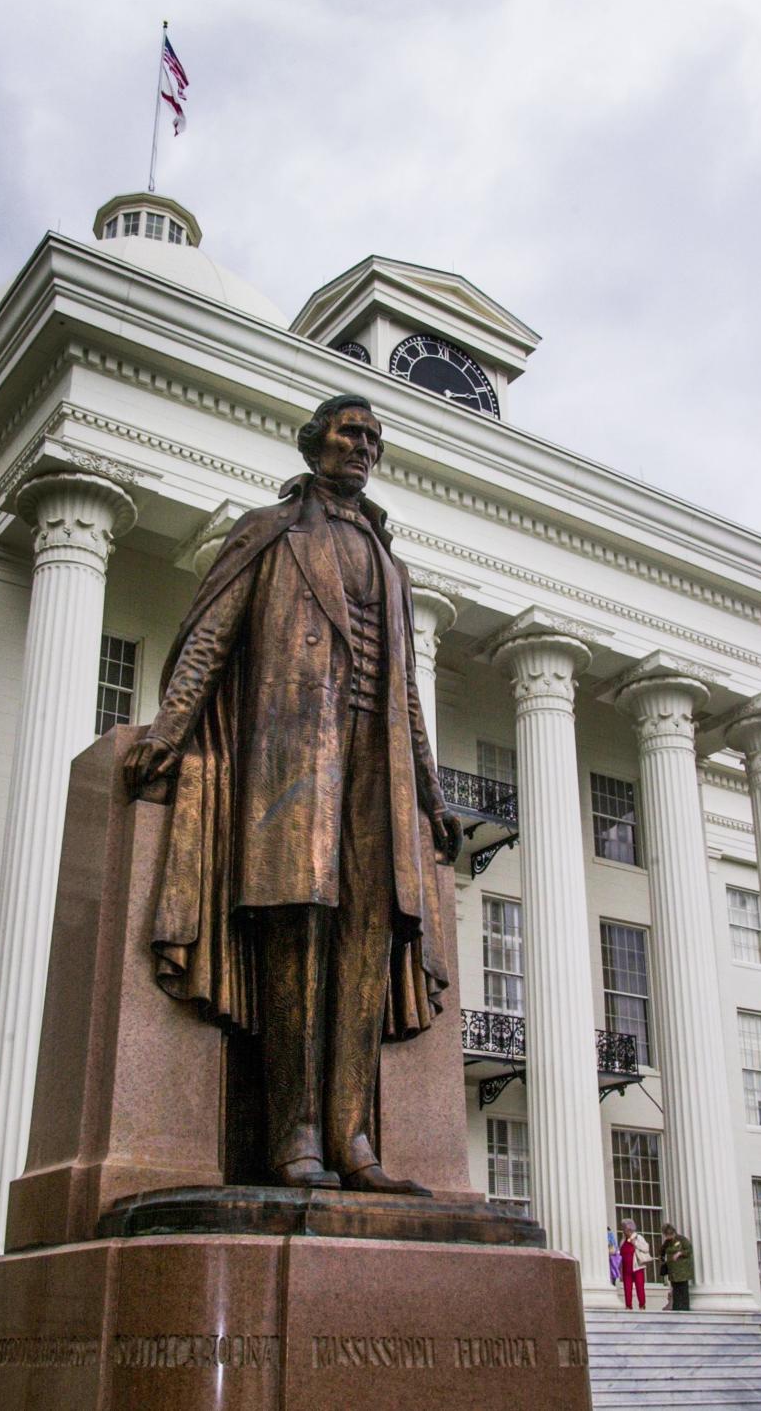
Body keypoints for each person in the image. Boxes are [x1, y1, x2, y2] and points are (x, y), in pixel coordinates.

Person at [124, 393, 462, 1195]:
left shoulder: (390, 561)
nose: (364, 448)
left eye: (375, 439)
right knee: (299, 937)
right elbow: (212, 634)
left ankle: (353, 1141)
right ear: (316, 445)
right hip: (292, 760)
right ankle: (295, 1137)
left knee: (365, 946)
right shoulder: (269, 532)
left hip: (376, 772)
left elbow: (405, 688)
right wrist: (171, 728)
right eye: (351, 433)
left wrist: (432, 791)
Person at [660, 1223, 694, 1310]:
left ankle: (685, 1308)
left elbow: (689, 1250)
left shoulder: (682, 1239)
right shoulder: (667, 1242)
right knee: (675, 1290)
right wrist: (662, 1258)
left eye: (670, 1235)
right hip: (673, 1271)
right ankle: (677, 1308)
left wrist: (680, 1253)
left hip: (683, 1271)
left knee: (683, 1290)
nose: (668, 1237)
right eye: (667, 1235)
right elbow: (662, 1250)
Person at [620, 1219, 651, 1310]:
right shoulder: (623, 1240)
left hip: (637, 1267)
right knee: (627, 1287)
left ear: (629, 1229)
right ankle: (628, 1305)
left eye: (624, 1228)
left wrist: (635, 1243)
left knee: (639, 1286)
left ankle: (642, 1304)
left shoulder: (638, 1237)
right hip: (626, 1268)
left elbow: (646, 1248)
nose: (623, 1230)